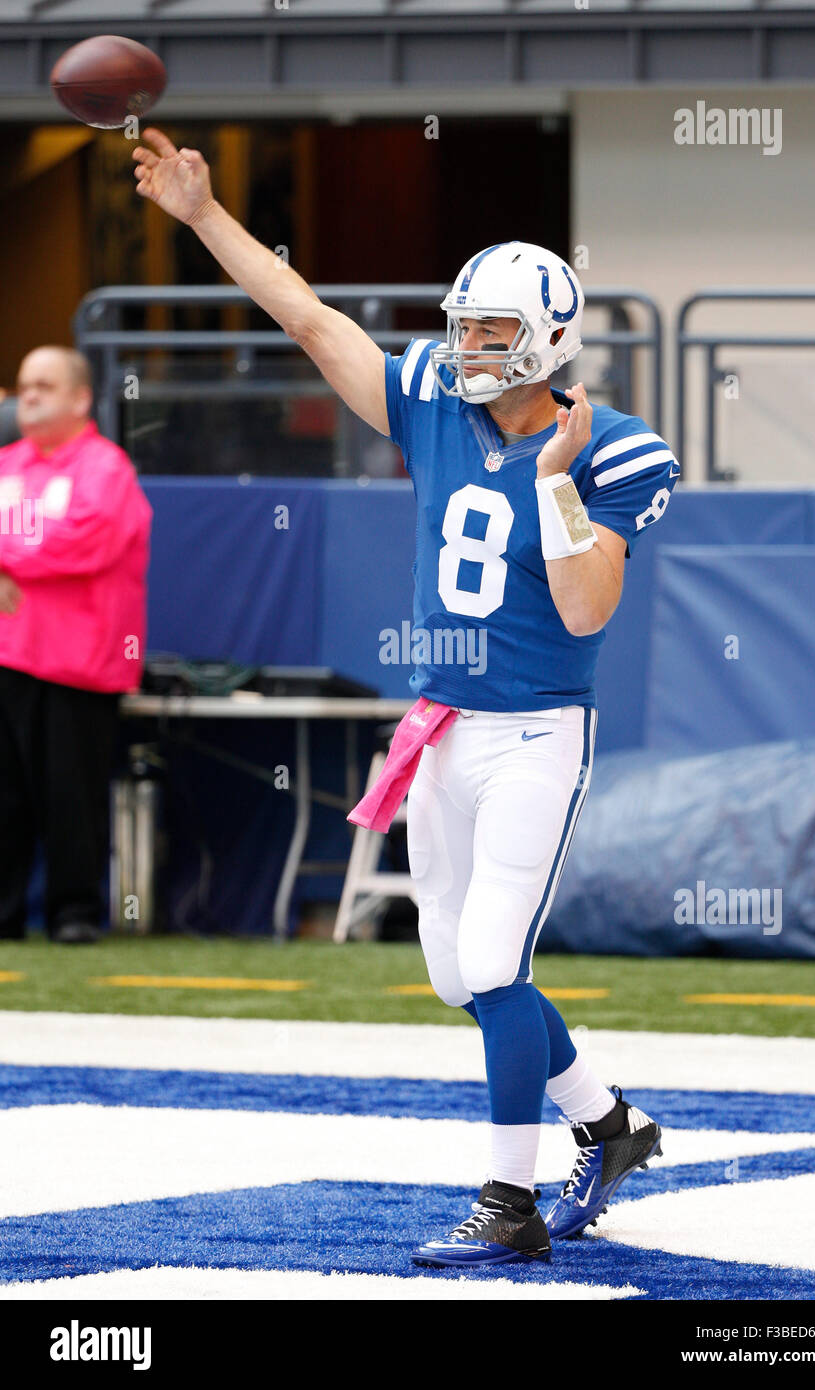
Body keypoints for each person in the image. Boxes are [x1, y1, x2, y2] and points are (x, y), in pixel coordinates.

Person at [131, 129, 675, 1265]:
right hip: (437, 723)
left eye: (492, 332)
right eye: (463, 325)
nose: (468, 347)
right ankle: (610, 1123)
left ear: (550, 344)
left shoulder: (614, 449)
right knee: (451, 972)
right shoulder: (431, 394)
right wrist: (200, 215)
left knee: (490, 964)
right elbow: (307, 315)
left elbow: (585, 614)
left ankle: (508, 1200)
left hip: (534, 728)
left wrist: (556, 485)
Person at [0, 348, 152, 944]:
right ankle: (6, 912)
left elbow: (84, 541)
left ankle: (75, 913)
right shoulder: (8, 464)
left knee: (73, 797)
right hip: (10, 656)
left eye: (43, 385)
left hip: (78, 664)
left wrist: (7, 557)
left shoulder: (105, 468)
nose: (27, 396)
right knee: (5, 796)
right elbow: (52, 543)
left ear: (80, 398)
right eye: (21, 385)